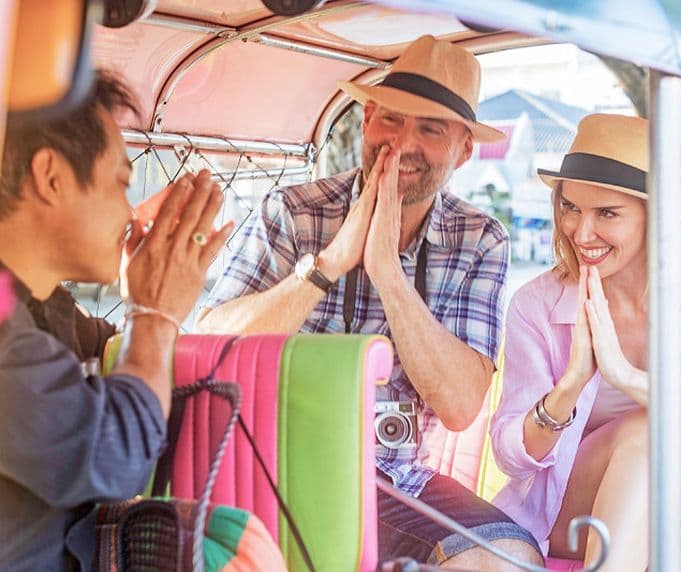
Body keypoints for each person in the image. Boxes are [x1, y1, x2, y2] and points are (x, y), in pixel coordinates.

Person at [196, 35, 543, 569]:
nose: (401, 144)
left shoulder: (480, 238)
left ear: (465, 149)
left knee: (509, 557)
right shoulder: (291, 212)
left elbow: (460, 405)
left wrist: (388, 273)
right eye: (391, 120)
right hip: (271, 463)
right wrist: (330, 262)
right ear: (367, 118)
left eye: (429, 129)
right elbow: (209, 342)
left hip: (392, 481)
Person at [490, 113, 681, 571]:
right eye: (571, 208)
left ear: (656, 217)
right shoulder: (537, 305)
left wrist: (629, 379)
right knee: (650, 429)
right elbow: (511, 458)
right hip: (571, 515)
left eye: (606, 213)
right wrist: (568, 388)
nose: (581, 233)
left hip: (680, 505)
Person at [0, 71, 232, 571]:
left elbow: (124, 359)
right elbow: (114, 457)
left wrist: (155, 304)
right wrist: (154, 313)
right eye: (120, 183)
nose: (128, 211)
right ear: (51, 176)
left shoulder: (35, 307)